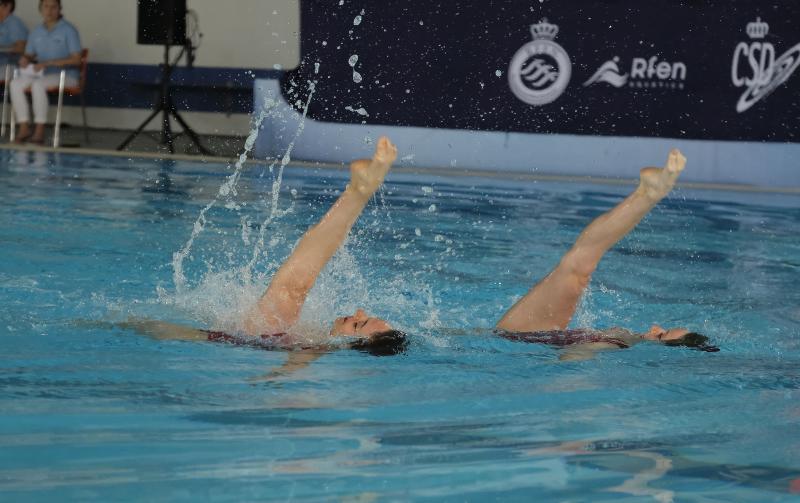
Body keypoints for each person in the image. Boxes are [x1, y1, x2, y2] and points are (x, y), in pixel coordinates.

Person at [118, 138, 714, 360]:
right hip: (521, 342)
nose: (353, 312)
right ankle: (648, 196)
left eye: (355, 322)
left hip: (246, 343)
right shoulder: (605, 341)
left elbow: (276, 384)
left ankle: (359, 192)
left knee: (291, 289)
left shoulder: (291, 347)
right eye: (364, 317)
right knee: (577, 271)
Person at [10, 0, 81, 144]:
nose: (49, 11)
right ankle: (24, 127)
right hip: (41, 74)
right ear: (40, 9)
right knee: (15, 84)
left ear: (59, 9)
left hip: (66, 75)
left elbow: (77, 59)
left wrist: (49, 63)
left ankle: (39, 130)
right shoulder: (36, 31)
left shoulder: (69, 30)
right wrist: (25, 59)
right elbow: (30, 54)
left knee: (38, 85)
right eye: (46, 7)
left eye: (53, 7)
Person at [0, 0, 28, 68]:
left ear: (8, 6)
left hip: (10, 60)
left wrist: (2, 48)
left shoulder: (14, 23)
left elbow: (21, 48)